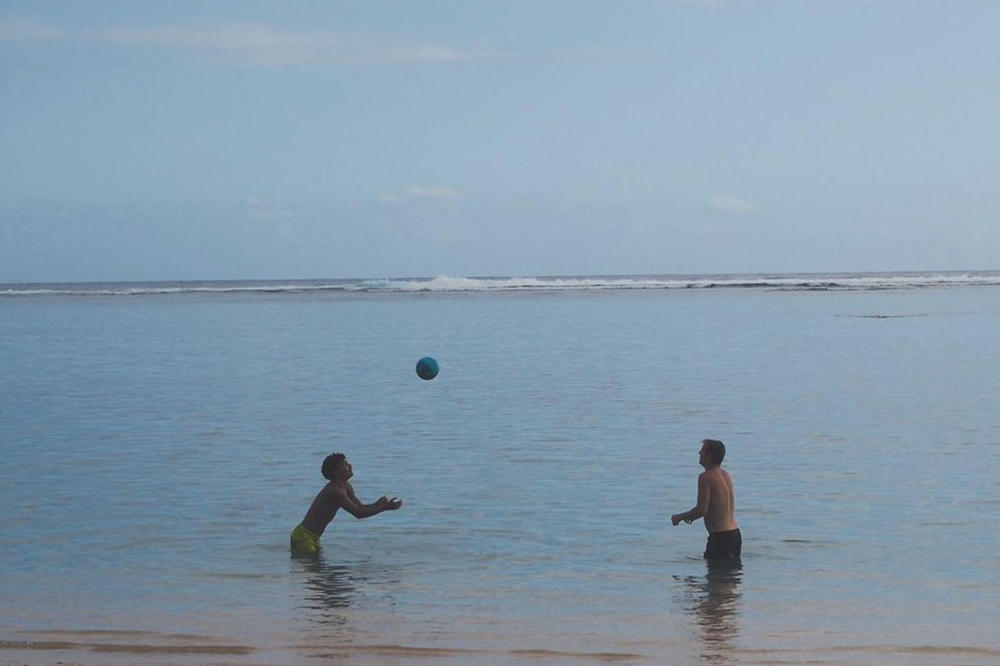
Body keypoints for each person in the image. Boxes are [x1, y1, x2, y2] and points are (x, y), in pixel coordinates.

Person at [290, 452, 402, 556]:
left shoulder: (346, 486)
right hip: (303, 537)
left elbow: (360, 507)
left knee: (316, 568)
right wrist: (384, 508)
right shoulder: (335, 491)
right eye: (345, 464)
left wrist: (378, 504)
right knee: (314, 568)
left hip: (312, 537)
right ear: (336, 472)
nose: (350, 466)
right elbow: (358, 514)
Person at [671, 439, 741, 561]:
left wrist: (679, 517)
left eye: (702, 451)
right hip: (735, 534)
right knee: (731, 573)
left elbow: (701, 510)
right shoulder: (725, 475)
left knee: (716, 572)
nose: (699, 453)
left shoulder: (705, 477)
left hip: (720, 537)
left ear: (709, 456)